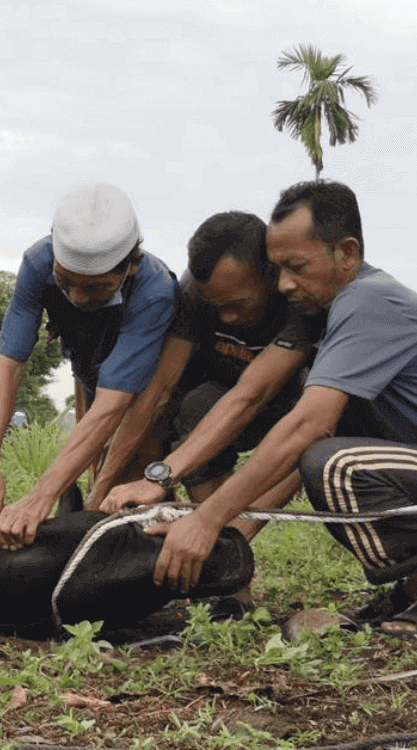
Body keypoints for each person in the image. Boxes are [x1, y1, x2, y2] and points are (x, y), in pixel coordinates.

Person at [149, 180, 417, 635]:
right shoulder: (337, 314)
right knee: (331, 446)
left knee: (334, 465)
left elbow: (305, 428)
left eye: (297, 267)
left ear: (347, 253)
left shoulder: (368, 299)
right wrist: (221, 525)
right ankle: (408, 595)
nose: (285, 284)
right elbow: (251, 401)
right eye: (277, 269)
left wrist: (209, 519)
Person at [90, 211, 325, 617]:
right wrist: (102, 488)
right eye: (217, 307)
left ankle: (229, 549)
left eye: (236, 305)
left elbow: (251, 396)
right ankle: (230, 588)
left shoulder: (299, 305)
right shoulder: (195, 296)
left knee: (311, 439)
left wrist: (219, 526)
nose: (227, 317)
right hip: (218, 401)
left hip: (288, 409)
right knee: (197, 408)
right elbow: (159, 391)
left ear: (270, 276)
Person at [0, 183, 178, 550]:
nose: (78, 298)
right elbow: (7, 365)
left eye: (95, 288)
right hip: (88, 370)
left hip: (146, 388)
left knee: (123, 484)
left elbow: (115, 404)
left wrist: (39, 498)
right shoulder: (37, 263)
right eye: (66, 283)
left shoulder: (154, 290)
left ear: (129, 267)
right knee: (93, 468)